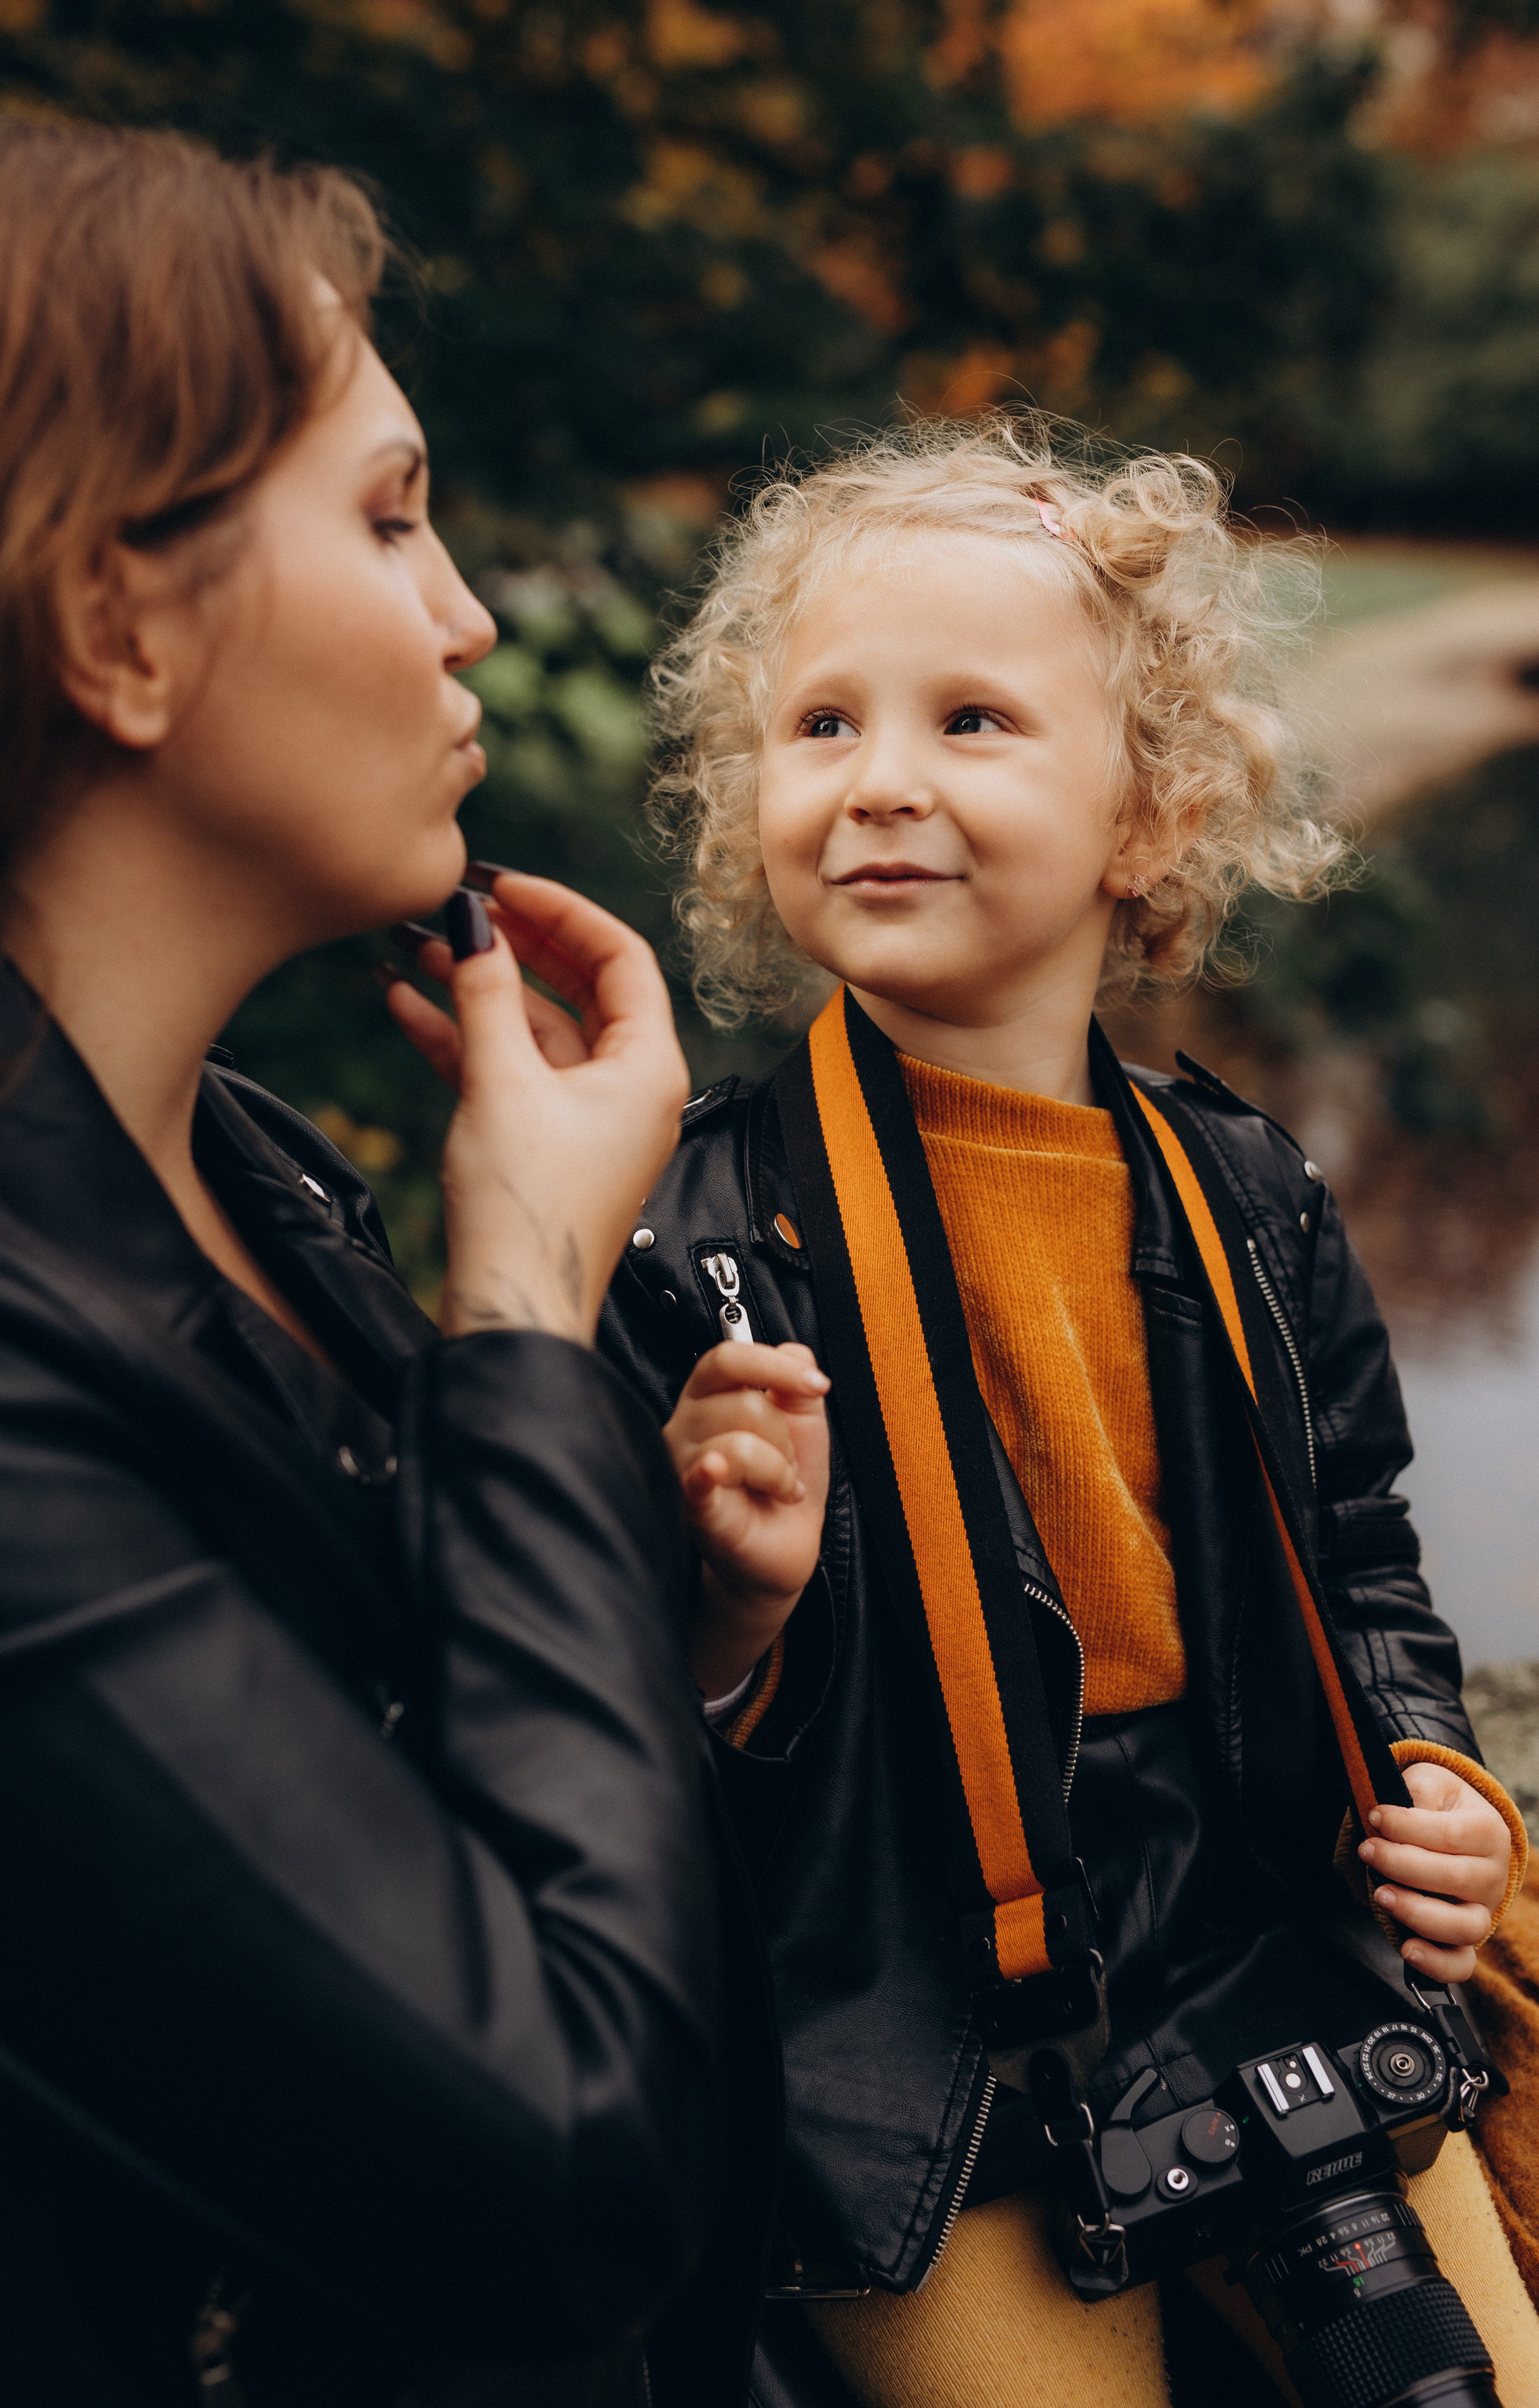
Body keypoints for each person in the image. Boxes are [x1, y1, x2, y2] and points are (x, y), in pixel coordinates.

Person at [0, 117, 773, 2408]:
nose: (471, 613)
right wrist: (517, 1328)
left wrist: (671, 1620)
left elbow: (395, 1836)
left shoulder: (253, 1162)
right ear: (117, 621)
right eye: (393, 516)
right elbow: (568, 2169)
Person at [596, 418, 1539, 2405]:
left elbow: (1363, 1558)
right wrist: (726, 1620)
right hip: (903, 2032)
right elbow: (602, 1730)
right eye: (824, 725)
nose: (883, 785)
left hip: (1260, 1938)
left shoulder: (1249, 1192)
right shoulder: (685, 1243)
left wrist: (1439, 1771)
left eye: (972, 722)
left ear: (1150, 814)